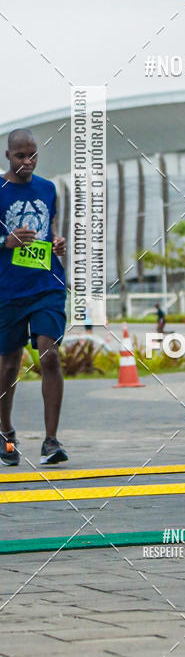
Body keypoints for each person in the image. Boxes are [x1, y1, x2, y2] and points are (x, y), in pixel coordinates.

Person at [0, 129, 68, 467]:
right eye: (20, 156)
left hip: (47, 283)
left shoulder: (47, 188)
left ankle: (51, 441)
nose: (28, 162)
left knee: (49, 355)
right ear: (8, 157)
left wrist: (57, 243)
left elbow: (49, 228)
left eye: (33, 155)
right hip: (8, 290)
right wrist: (5, 242)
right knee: (9, 364)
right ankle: (6, 433)